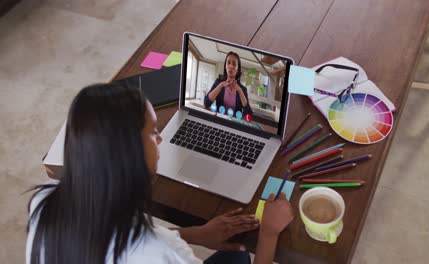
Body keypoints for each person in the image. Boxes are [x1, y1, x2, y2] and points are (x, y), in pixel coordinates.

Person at [26, 82, 293, 264]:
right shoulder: (160, 252)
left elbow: (116, 242)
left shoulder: (44, 203)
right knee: (242, 255)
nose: (161, 139)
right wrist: (269, 233)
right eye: (153, 133)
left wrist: (196, 234)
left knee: (236, 256)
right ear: (130, 156)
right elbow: (152, 248)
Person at [204, 52, 253, 116]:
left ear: (238, 69)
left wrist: (240, 91)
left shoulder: (243, 89)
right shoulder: (218, 82)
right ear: (225, 66)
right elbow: (206, 103)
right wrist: (220, 86)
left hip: (234, 124)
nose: (231, 66)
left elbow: (248, 114)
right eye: (228, 63)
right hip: (219, 120)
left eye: (234, 64)